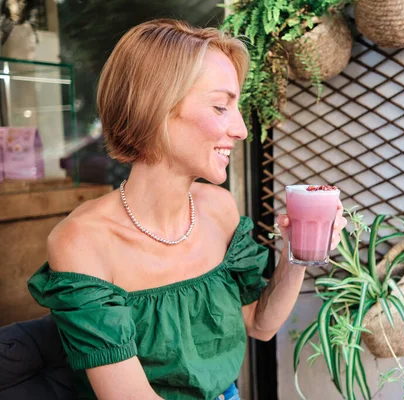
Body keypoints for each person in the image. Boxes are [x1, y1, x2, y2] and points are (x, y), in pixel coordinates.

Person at [27, 19, 347, 400]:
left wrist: (296, 254)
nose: (242, 130)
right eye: (220, 107)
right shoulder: (81, 241)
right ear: (156, 108)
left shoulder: (220, 209)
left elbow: (259, 324)